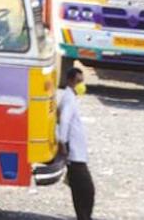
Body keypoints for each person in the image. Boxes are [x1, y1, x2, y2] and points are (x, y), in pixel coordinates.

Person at [58, 67, 94, 220]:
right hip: (74, 154)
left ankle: (83, 216)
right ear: (70, 81)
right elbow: (64, 122)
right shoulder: (69, 100)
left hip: (76, 153)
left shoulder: (70, 98)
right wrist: (63, 144)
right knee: (87, 189)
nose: (81, 85)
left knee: (79, 189)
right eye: (78, 81)